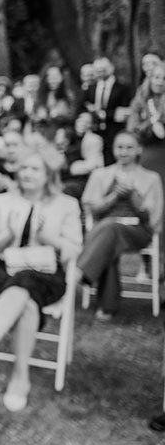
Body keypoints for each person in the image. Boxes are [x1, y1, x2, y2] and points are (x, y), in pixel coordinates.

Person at [0, 146, 83, 411]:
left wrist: (49, 237)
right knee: (25, 296)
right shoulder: (4, 201)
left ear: (49, 174)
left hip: (49, 275)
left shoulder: (66, 205)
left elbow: (74, 249)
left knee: (27, 282)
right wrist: (6, 235)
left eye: (34, 168)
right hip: (7, 270)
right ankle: (20, 377)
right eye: (24, 168)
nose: (27, 173)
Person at [77, 131, 164, 321]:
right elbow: (93, 210)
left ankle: (79, 273)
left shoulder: (151, 178)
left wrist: (133, 196)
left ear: (139, 149)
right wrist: (114, 196)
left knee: (109, 230)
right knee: (108, 235)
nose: (124, 152)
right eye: (120, 147)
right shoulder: (100, 175)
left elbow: (152, 217)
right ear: (113, 149)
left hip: (137, 231)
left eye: (129, 147)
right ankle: (107, 307)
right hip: (106, 231)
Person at [85, 57, 132, 165]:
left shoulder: (122, 88)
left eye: (103, 69)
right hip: (95, 132)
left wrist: (104, 115)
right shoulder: (91, 88)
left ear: (110, 69)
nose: (101, 73)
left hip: (114, 131)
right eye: (98, 70)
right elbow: (83, 106)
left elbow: (124, 112)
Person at [127, 61, 165, 188]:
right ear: (150, 78)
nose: (160, 82)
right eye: (157, 77)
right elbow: (132, 128)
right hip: (146, 151)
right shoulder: (141, 100)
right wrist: (151, 123)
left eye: (164, 78)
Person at [57, 111, 104, 200]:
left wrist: (71, 167)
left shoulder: (94, 140)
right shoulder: (67, 134)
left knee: (64, 189)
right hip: (62, 176)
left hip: (81, 180)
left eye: (87, 122)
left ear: (92, 125)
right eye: (81, 120)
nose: (83, 124)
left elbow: (93, 165)